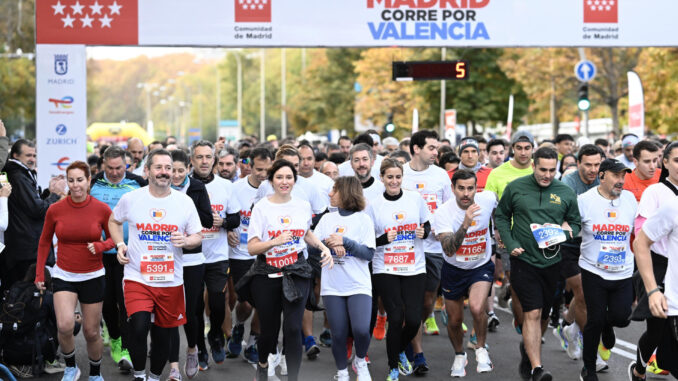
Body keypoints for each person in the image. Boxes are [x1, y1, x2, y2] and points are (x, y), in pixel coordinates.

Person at [109, 149, 203, 381]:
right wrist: (120, 244)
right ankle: (140, 375)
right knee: (139, 326)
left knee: (163, 335)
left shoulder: (185, 202)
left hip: (170, 279)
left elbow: (198, 235)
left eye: (168, 168)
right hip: (137, 276)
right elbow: (113, 220)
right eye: (159, 167)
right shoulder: (131, 199)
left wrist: (187, 240)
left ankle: (152, 376)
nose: (164, 172)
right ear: (147, 170)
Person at [241, 159, 333, 381]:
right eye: (279, 177)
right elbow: (252, 247)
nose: (284, 182)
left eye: (289, 177)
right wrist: (274, 242)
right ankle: (263, 364)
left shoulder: (302, 205)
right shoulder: (262, 207)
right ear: (271, 180)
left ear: (295, 180)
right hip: (267, 273)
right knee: (269, 331)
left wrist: (322, 247)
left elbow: (305, 233)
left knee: (293, 329)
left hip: (296, 271)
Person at [495, 146, 581, 381]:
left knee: (543, 315)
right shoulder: (516, 188)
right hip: (523, 260)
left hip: (553, 263)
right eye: (542, 169)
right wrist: (510, 242)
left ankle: (528, 349)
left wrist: (567, 232)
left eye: (552, 170)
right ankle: (537, 368)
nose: (547, 175)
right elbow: (501, 215)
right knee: (532, 312)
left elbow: (575, 223)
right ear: (533, 166)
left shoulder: (565, 192)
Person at [35, 161, 115, 381]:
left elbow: (114, 239)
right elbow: (43, 242)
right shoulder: (56, 209)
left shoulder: (101, 208)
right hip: (64, 274)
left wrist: (100, 246)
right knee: (64, 325)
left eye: (80, 180)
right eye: (71, 180)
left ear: (89, 180)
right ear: (66, 181)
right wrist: (40, 274)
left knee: (91, 332)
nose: (76, 185)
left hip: (93, 275)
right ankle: (71, 367)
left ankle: (96, 374)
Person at [369, 158, 431, 381]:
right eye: (390, 177)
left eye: (398, 177)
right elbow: (367, 240)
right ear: (382, 178)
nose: (394, 181)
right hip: (386, 267)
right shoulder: (374, 205)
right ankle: (393, 367)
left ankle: (400, 350)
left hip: (414, 267)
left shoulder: (415, 199)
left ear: (402, 178)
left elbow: (427, 223)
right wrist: (383, 239)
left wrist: (425, 231)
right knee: (396, 318)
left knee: (414, 320)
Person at [577, 159, 636, 381]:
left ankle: (607, 325)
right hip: (593, 270)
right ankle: (589, 368)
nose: (621, 181)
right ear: (602, 176)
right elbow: (571, 225)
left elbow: (640, 230)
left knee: (622, 317)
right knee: (594, 319)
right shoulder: (584, 200)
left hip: (623, 270)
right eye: (615, 176)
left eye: (623, 176)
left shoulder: (630, 200)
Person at [434, 170, 498, 377]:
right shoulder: (443, 212)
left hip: (480, 266)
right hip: (453, 269)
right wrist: (466, 223)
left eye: (470, 188)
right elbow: (449, 249)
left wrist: (500, 232)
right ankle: (459, 354)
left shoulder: (487, 199)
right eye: (461, 188)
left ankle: (480, 348)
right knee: (454, 320)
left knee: (478, 307)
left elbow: (504, 211)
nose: (466, 193)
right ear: (453, 189)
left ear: (476, 188)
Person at [90, 146, 147, 371]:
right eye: (110, 168)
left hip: (129, 254)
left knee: (126, 303)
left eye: (119, 168)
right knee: (107, 302)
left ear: (127, 165)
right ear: (103, 165)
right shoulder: (93, 182)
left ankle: (125, 347)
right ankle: (114, 337)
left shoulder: (137, 182)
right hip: (101, 255)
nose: (114, 173)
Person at [315, 176, 376, 381]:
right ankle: (342, 372)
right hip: (332, 285)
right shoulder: (326, 219)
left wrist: (345, 242)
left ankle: (360, 361)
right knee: (339, 334)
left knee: (360, 330)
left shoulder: (363, 219)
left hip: (358, 284)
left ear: (347, 192)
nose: (330, 194)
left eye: (335, 189)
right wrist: (329, 244)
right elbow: (311, 248)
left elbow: (368, 254)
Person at [402, 130, 452, 374]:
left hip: (433, 249)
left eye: (437, 148)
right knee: (409, 302)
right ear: (415, 149)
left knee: (426, 301)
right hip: (404, 249)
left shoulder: (441, 176)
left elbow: (448, 208)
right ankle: (417, 352)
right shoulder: (400, 174)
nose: (436, 152)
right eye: (431, 148)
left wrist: (442, 231)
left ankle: (412, 332)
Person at [189, 140, 241, 374]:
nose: (204, 161)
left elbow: (236, 219)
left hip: (218, 255)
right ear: (192, 160)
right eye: (199, 157)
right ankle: (199, 347)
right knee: (195, 307)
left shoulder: (226, 186)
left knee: (219, 304)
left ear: (214, 160)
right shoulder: (184, 186)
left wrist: (224, 223)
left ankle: (216, 335)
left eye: (208, 157)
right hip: (191, 255)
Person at [628, 141, 678, 380]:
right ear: (665, 162)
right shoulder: (656, 192)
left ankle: (666, 360)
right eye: (676, 160)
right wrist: (651, 288)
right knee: (657, 330)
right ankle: (639, 369)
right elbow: (641, 235)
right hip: (658, 265)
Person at [166, 149, 214, 381]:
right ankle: (173, 364)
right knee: (170, 310)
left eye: (179, 170)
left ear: (188, 169)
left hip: (193, 258)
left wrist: (185, 208)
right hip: (165, 257)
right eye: (171, 170)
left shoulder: (196, 187)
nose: (175, 175)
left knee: (191, 309)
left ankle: (193, 349)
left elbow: (206, 219)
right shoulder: (159, 187)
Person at [555, 144, 604, 361]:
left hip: (595, 245)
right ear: (578, 164)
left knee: (586, 295)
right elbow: (561, 216)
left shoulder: (604, 180)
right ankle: (590, 348)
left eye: (597, 164)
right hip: (570, 246)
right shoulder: (568, 184)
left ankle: (570, 326)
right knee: (583, 293)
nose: (593, 169)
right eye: (588, 165)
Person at [227, 148, 273, 371]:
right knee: (245, 301)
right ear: (249, 166)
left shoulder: (278, 188)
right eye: (259, 169)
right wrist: (228, 230)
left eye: (268, 170)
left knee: (265, 302)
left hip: (267, 253)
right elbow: (228, 215)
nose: (264, 174)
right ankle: (238, 326)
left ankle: (253, 342)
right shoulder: (236, 188)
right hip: (241, 253)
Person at [484, 131, 535, 328]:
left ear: (533, 149)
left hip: (535, 236)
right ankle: (524, 324)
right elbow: (489, 205)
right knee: (516, 280)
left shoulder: (538, 171)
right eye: (519, 148)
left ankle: (528, 316)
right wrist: (496, 229)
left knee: (532, 283)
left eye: (527, 148)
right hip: (509, 235)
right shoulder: (497, 174)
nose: (523, 152)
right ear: (511, 149)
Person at [2, 139, 66, 293]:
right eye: (28, 155)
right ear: (16, 155)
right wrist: (55, 195)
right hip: (24, 249)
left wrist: (48, 193)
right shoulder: (18, 175)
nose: (32, 159)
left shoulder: (23, 173)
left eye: (34, 155)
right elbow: (36, 210)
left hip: (25, 246)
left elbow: (31, 205)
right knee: (26, 297)